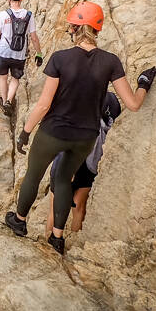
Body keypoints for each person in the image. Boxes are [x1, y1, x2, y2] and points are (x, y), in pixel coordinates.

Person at [4, 1, 156, 255]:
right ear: (97, 30)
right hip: (86, 137)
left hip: (54, 131)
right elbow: (132, 104)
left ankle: (19, 222)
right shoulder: (110, 61)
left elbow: (44, 105)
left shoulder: (60, 59)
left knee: (34, 174)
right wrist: (143, 83)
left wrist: (25, 132)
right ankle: (57, 238)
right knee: (64, 179)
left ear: (74, 28)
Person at [45, 92, 121, 235]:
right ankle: (72, 240)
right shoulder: (110, 103)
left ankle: (49, 242)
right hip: (90, 164)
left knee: (55, 209)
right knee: (79, 207)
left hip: (69, 162)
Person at [0, 0, 43, 117]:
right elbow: (34, 37)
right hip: (19, 54)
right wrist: (39, 53)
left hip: (3, 52)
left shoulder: (3, 15)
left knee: (3, 77)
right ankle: (8, 101)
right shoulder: (28, 15)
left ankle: (3, 99)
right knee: (15, 78)